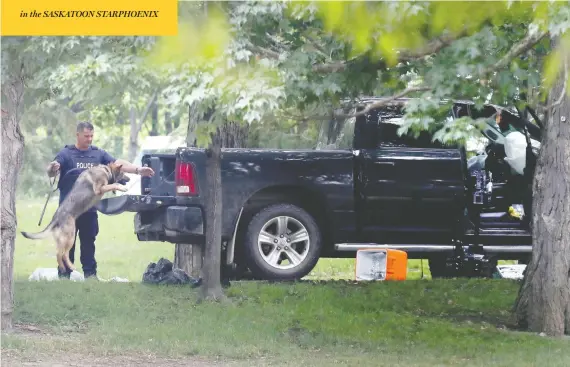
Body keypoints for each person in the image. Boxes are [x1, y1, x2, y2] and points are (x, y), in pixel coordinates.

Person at [46, 121, 155, 280]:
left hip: (89, 209)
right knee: (67, 243)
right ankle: (64, 276)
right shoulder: (66, 154)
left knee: (88, 243)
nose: (89, 139)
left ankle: (90, 275)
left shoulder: (98, 154)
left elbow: (119, 164)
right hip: (68, 211)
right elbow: (52, 171)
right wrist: (52, 169)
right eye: (86, 136)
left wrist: (138, 170)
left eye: (91, 136)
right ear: (77, 135)